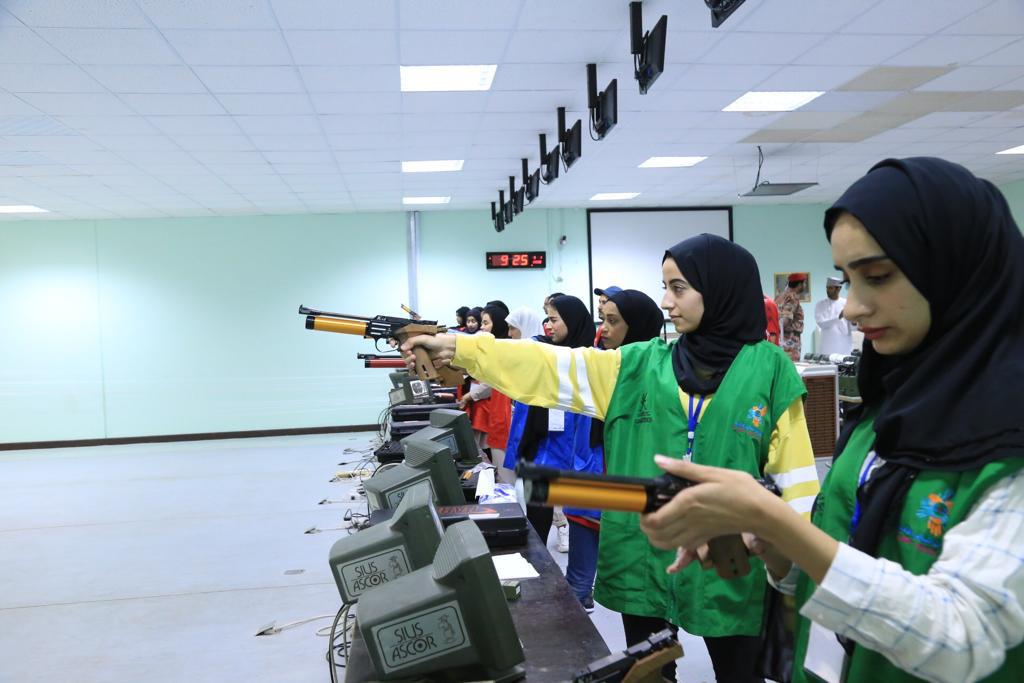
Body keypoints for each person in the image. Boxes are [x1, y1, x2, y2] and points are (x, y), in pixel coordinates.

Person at [639, 158, 1024, 683]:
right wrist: (775, 546)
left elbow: (961, 640)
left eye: (877, 277)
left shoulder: (1009, 443)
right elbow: (836, 569)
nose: (850, 308)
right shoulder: (882, 417)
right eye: (847, 279)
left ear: (955, 271)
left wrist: (775, 519)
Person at [401, 235, 819, 682]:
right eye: (664, 288)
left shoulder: (769, 371)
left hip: (730, 559)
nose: (666, 302)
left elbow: (796, 484)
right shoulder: (635, 365)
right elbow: (546, 365)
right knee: (649, 673)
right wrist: (460, 348)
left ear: (719, 290)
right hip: (642, 552)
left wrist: (791, 570)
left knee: (740, 673)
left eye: (678, 289)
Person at [501, 295, 596, 550]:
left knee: (581, 528)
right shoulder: (541, 350)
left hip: (575, 454)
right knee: (537, 522)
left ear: (572, 321)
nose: (549, 326)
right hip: (540, 449)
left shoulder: (591, 360)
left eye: (554, 320)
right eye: (548, 320)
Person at [460, 305, 513, 465]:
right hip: (496, 413)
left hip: (500, 414)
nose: (481, 327)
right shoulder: (491, 349)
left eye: (485, 323)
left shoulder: (505, 352)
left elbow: (490, 384)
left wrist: (470, 395)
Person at [815, 276, 854, 357]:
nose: (827, 290)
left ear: (838, 289)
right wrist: (838, 317)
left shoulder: (847, 303)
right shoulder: (820, 304)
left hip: (844, 344)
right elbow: (821, 324)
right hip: (828, 344)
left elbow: (853, 327)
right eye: (827, 288)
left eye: (830, 288)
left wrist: (854, 322)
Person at [776, 273, 806, 361]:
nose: (805, 286)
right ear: (800, 284)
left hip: (780, 340)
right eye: (804, 283)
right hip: (790, 342)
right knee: (791, 367)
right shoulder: (792, 298)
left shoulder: (780, 297)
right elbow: (784, 321)